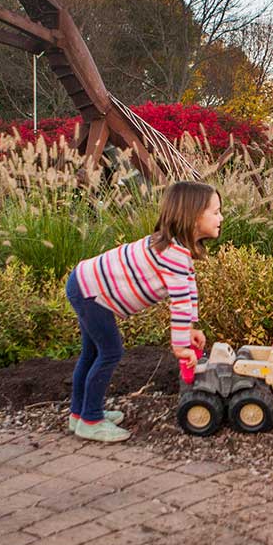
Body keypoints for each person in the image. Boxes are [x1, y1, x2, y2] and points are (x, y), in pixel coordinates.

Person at [65, 181, 223, 442]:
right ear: (195, 217)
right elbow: (180, 302)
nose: (221, 217)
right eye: (215, 212)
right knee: (109, 351)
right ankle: (90, 419)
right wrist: (181, 346)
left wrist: (192, 326)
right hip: (92, 293)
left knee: (92, 353)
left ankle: (79, 414)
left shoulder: (174, 248)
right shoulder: (174, 254)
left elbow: (187, 287)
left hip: (84, 283)